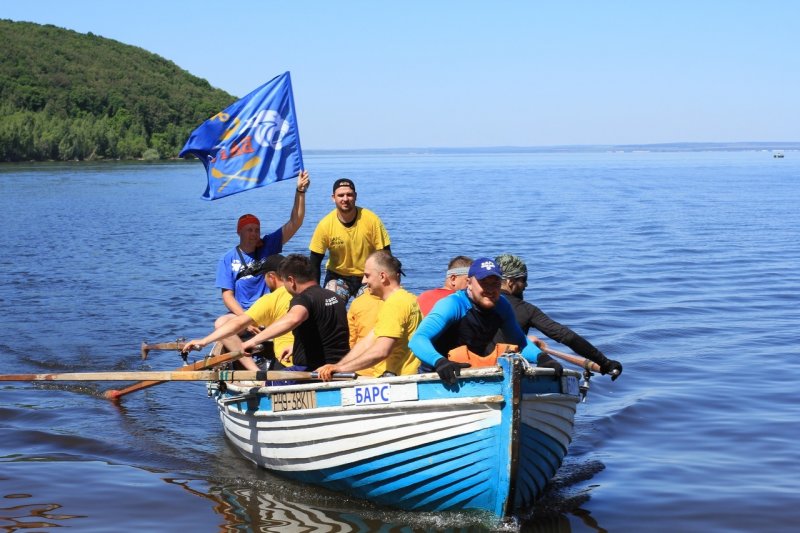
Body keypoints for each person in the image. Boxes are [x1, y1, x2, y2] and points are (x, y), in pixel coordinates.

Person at [408, 257, 563, 385]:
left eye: (495, 283)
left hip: (472, 375)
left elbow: (520, 342)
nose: (490, 289)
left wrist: (543, 358)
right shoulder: (452, 304)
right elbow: (417, 340)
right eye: (484, 283)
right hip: (439, 375)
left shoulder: (502, 306)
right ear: (469, 283)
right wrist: (439, 362)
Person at [493, 254, 623, 380]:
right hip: (506, 368)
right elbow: (567, 336)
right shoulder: (526, 310)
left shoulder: (476, 302)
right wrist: (604, 362)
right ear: (510, 282)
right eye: (523, 280)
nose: (526, 286)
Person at [215, 171, 310, 330]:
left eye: (256, 230)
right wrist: (246, 319)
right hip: (242, 314)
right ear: (239, 232)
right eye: (249, 230)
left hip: (270, 311)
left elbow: (295, 222)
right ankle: (246, 356)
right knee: (221, 324)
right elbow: (227, 296)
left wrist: (300, 191)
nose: (254, 234)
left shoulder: (268, 245)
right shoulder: (228, 258)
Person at [316, 250, 421, 380]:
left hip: (396, 381)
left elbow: (381, 351)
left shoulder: (395, 304)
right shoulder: (410, 298)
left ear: (382, 276)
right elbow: (367, 342)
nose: (364, 281)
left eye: (367, 275)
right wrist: (337, 366)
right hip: (399, 377)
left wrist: (341, 369)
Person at [181, 254, 292, 371]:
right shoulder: (304, 293)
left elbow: (237, 323)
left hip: (286, 363)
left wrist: (204, 341)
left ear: (271, 277)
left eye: (263, 276)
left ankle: (256, 372)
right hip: (305, 358)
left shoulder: (271, 299)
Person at [240, 254, 349, 372]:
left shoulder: (303, 299)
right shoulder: (334, 296)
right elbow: (327, 334)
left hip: (311, 372)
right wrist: (295, 347)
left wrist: (253, 341)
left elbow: (293, 319)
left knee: (265, 384)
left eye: (284, 281)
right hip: (340, 368)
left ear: (291, 280)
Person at [309, 178, 391, 302]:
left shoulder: (371, 220)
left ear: (355, 196)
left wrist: (389, 283)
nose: (345, 199)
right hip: (338, 276)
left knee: (371, 309)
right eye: (341, 195)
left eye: (349, 195)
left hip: (368, 276)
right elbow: (314, 262)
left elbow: (385, 255)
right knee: (330, 305)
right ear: (333, 198)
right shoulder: (325, 225)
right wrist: (314, 293)